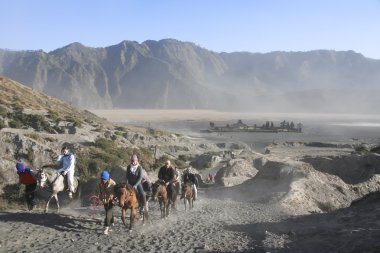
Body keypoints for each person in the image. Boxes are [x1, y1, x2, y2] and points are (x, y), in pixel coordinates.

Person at [95, 170, 116, 235]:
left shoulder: (112, 183)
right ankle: (112, 223)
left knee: (108, 214)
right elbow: (97, 191)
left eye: (103, 179)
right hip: (104, 201)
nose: (102, 180)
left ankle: (106, 228)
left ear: (107, 179)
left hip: (112, 201)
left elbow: (115, 192)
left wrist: (112, 196)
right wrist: (97, 198)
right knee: (109, 213)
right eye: (101, 178)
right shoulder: (99, 183)